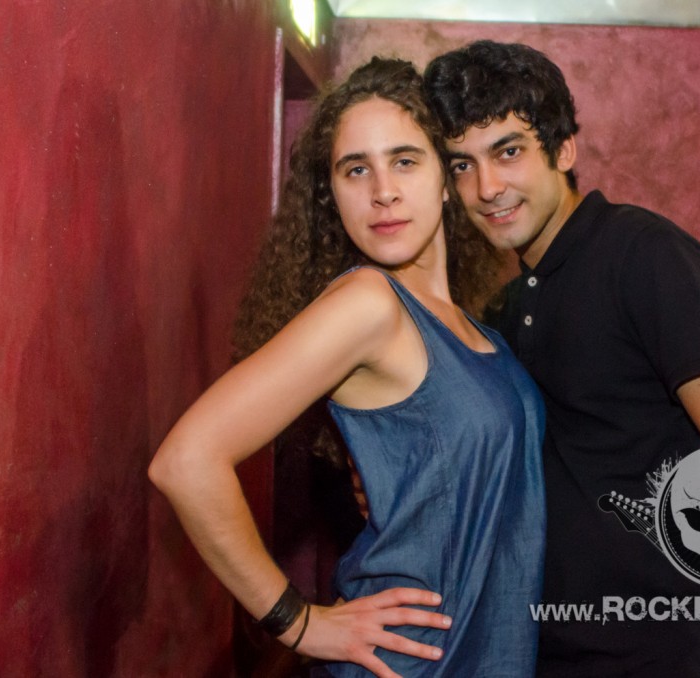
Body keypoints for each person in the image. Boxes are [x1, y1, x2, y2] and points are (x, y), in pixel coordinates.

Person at [148, 58, 546, 678]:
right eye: (356, 169)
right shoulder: (368, 304)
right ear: (332, 195)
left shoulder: (468, 324)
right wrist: (300, 623)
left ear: (445, 178)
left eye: (405, 161)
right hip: (409, 663)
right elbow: (186, 462)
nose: (382, 190)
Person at [424, 40, 700, 677]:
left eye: (509, 152)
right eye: (463, 164)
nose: (487, 188)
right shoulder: (514, 299)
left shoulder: (647, 258)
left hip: (666, 656)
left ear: (564, 150)